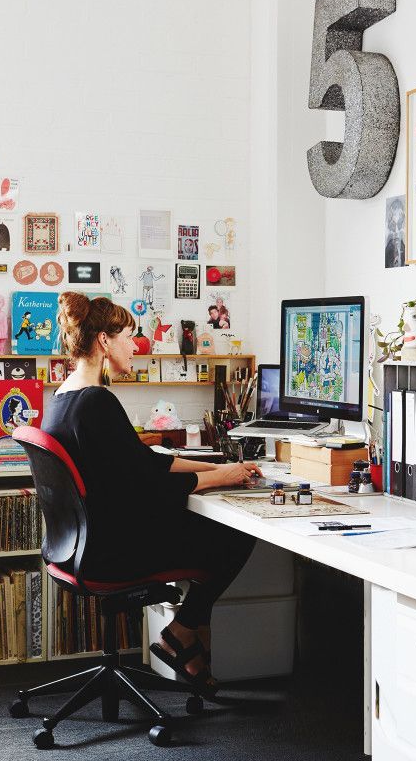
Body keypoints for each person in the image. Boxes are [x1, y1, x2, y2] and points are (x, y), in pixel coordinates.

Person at [42, 292, 262, 698]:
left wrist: (215, 469)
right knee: (236, 534)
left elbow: (141, 461)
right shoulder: (97, 401)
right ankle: (179, 633)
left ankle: (188, 645)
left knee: (208, 533)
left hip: (78, 545)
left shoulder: (64, 397)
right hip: (112, 550)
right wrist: (222, 479)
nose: (136, 345)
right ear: (104, 342)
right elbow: (150, 484)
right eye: (129, 335)